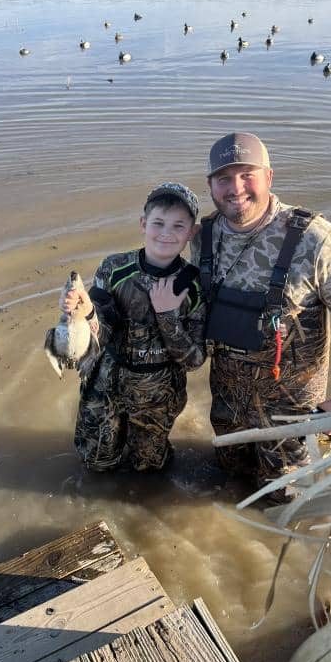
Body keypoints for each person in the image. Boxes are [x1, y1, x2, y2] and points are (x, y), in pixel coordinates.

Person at [191, 132, 331, 494]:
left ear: (269, 177)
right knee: (227, 483)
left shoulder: (316, 239)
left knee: (287, 498)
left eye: (247, 175)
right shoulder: (203, 237)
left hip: (291, 410)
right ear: (211, 186)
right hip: (227, 402)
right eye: (224, 178)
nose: (236, 188)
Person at [60, 182, 206, 472]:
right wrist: (85, 312)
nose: (166, 233)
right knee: (96, 463)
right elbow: (102, 333)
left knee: (148, 469)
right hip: (106, 382)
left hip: (159, 394)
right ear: (143, 224)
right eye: (158, 223)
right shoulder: (114, 267)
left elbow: (194, 361)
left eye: (178, 226)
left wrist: (166, 314)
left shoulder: (194, 284)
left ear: (191, 233)